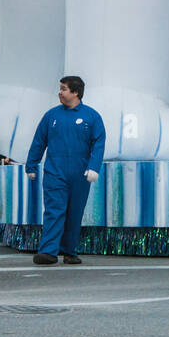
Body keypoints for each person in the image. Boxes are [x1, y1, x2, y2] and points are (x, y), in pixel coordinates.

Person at [26, 76, 106, 265]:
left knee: (75, 212)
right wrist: (32, 164)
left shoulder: (91, 116)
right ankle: (48, 251)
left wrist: (94, 167)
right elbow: (39, 141)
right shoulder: (51, 115)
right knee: (54, 210)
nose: (60, 92)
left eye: (64, 89)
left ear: (75, 92)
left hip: (80, 174)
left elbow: (99, 144)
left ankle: (69, 251)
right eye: (60, 89)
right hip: (55, 172)